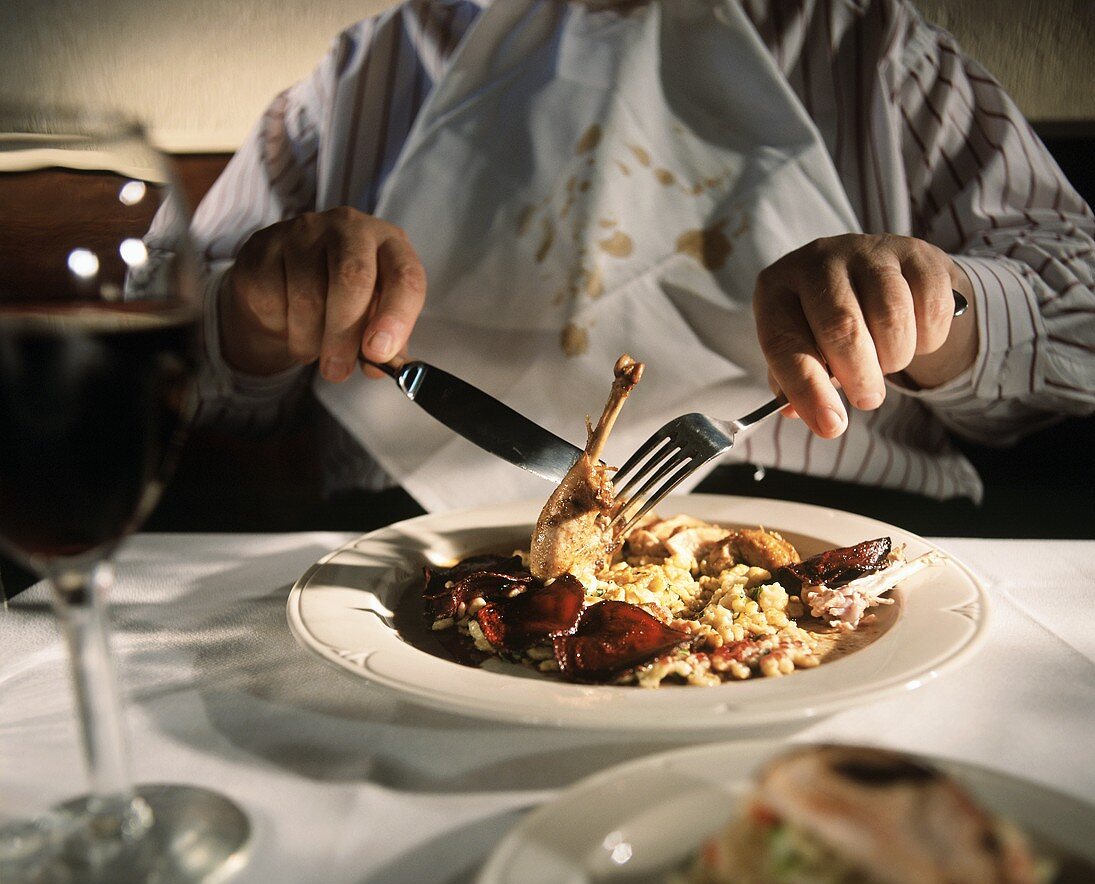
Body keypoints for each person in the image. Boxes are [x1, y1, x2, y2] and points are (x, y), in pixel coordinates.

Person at [163, 0, 1094, 528]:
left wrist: (944, 306)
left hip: (843, 534)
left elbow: (1079, 318)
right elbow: (164, 365)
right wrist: (254, 315)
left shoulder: (879, 55)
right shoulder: (359, 76)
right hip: (400, 554)